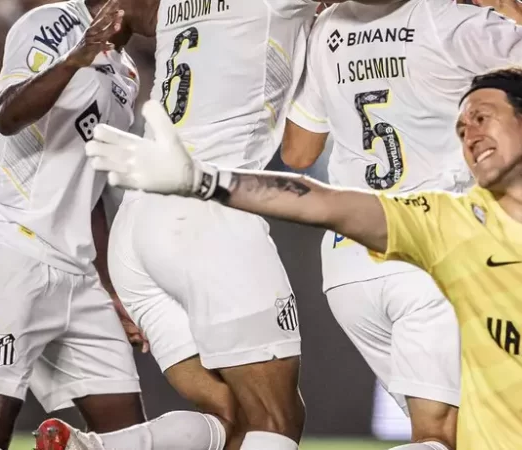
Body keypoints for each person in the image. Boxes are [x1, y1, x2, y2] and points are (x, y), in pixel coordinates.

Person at [85, 66, 522, 450]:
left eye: (482, 117)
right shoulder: (450, 221)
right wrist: (203, 179)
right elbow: (321, 202)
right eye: (461, 124)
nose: (467, 132)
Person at [278, 0, 522, 447]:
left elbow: (298, 153)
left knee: (480, 433)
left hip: (350, 266)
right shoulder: (453, 23)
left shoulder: (326, 30)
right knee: (444, 435)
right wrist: (511, 9)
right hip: (433, 255)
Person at [104, 0, 411, 449]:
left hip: (136, 223)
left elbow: (131, 12)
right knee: (276, 420)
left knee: (229, 417)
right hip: (207, 211)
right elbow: (299, 154)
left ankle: (98, 447)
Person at [0, 1, 225, 450]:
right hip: (9, 247)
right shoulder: (51, 22)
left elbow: (88, 192)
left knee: (128, 438)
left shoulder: (127, 76)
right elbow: (8, 115)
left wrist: (113, 289)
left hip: (78, 273)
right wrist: (75, 57)